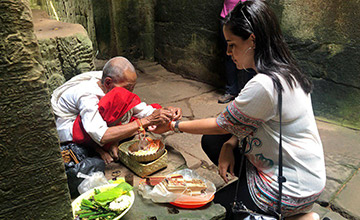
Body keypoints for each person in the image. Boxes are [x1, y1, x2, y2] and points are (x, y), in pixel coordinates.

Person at [151, 1, 325, 219]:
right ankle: (256, 198)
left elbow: (220, 123)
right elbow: (243, 122)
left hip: (291, 188)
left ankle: (295, 215)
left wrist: (172, 126)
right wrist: (230, 143)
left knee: (219, 213)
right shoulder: (285, 71)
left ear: (252, 39)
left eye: (232, 44)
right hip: (305, 175)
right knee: (214, 141)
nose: (228, 51)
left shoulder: (265, 84)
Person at [51, 56, 181, 164]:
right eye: (128, 88)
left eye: (133, 87)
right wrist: (146, 121)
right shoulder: (87, 95)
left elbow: (142, 110)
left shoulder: (109, 85)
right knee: (139, 123)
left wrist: (167, 111)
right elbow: (101, 135)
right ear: (107, 83)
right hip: (74, 129)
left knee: (143, 116)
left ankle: (114, 140)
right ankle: (99, 147)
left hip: (95, 123)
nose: (131, 93)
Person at [218, 0, 256, 104]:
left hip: (247, 17)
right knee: (230, 56)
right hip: (227, 16)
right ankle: (232, 90)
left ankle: (249, 93)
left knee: (250, 56)